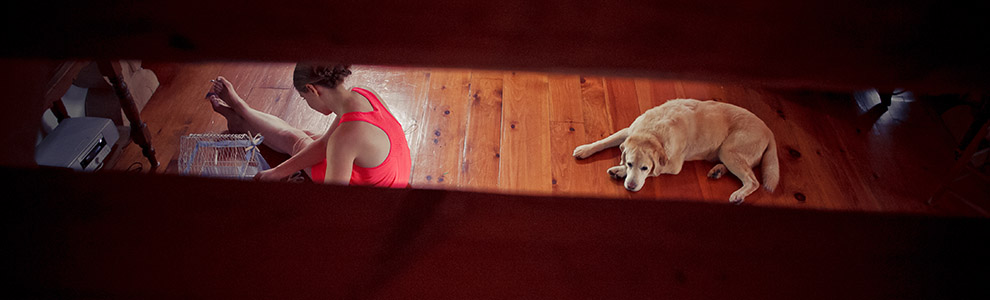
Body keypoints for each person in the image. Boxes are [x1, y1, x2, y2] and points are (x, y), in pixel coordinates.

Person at [206, 63, 411, 187]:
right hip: (391, 174)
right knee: (311, 137)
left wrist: (280, 175)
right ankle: (242, 119)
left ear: (312, 89)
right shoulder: (363, 93)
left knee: (297, 140)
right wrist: (277, 172)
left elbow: (332, 202)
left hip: (374, 198)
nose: (307, 103)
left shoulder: (345, 138)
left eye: (304, 99)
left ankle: (243, 113)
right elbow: (323, 145)